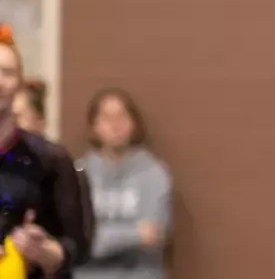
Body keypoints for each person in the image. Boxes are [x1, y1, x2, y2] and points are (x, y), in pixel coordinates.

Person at [0, 24, 93, 277]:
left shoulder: (52, 161)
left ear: (19, 83)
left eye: (7, 72)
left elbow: (78, 246)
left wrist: (49, 252)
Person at [74, 89, 172, 279]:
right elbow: (78, 242)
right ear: (94, 126)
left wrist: (101, 236)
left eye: (121, 116)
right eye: (107, 117)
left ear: (133, 124)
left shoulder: (154, 174)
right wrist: (136, 234)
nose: (115, 125)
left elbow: (155, 234)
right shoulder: (77, 175)